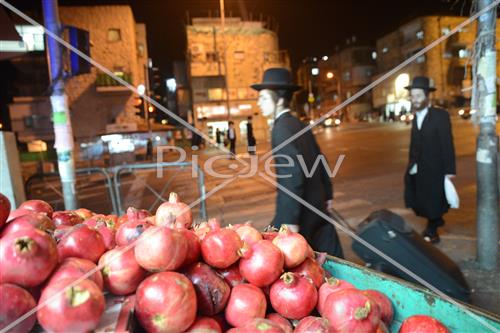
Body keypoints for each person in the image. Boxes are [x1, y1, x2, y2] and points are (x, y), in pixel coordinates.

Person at [251, 67, 344, 258]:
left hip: (302, 211)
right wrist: (327, 194)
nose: (259, 103)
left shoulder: (281, 128)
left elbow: (291, 175)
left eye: (264, 98)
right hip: (316, 203)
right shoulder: (298, 123)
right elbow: (320, 159)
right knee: (329, 259)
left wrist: (289, 219)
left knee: (282, 258)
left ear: (279, 99)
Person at [404, 76, 456, 244]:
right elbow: (414, 145)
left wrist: (449, 171)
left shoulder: (440, 116)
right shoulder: (415, 118)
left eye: (418, 95)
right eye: (412, 96)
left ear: (427, 96)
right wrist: (411, 165)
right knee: (417, 199)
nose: (415, 99)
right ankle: (435, 222)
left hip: (435, 168)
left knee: (433, 201)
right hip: (418, 168)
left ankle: (432, 231)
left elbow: (447, 144)